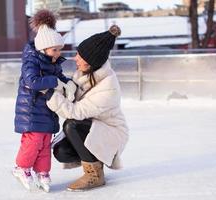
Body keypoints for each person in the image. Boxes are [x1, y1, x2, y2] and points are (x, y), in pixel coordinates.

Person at [46, 25, 129, 191]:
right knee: (61, 151)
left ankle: (94, 174)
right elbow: (70, 96)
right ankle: (95, 160)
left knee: (71, 124)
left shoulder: (108, 87)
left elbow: (75, 112)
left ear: (92, 61)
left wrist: (49, 95)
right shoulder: (84, 74)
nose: (75, 59)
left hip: (111, 132)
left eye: (80, 56)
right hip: (93, 128)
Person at [12, 9, 76, 192]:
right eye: (55, 50)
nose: (57, 53)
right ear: (43, 48)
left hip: (47, 110)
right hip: (31, 110)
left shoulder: (51, 62)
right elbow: (31, 81)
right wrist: (55, 82)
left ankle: (42, 171)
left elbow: (59, 76)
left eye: (59, 50)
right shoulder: (31, 61)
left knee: (45, 143)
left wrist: (68, 82)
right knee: (34, 141)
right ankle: (21, 168)